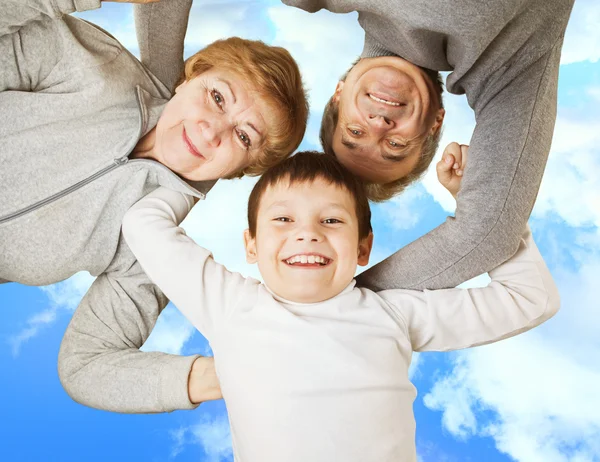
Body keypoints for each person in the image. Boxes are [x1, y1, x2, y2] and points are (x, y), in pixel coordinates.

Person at [120, 151, 559, 461]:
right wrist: (219, 162)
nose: (307, 233)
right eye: (282, 219)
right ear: (251, 245)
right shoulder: (229, 305)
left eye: (331, 220)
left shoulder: (393, 314)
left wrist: (481, 202)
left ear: (363, 248)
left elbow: (529, 299)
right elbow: (143, 224)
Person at [1, 0, 308, 412]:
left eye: (244, 137)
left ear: (242, 168)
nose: (212, 130)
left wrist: (230, 374)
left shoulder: (155, 246)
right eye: (217, 97)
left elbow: (84, 366)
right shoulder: (88, 62)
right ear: (190, 77)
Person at [282, 0, 575, 292]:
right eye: (396, 145)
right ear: (435, 122)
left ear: (339, 93)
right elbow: (487, 234)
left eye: (355, 132)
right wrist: (352, 301)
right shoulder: (505, 66)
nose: (379, 125)